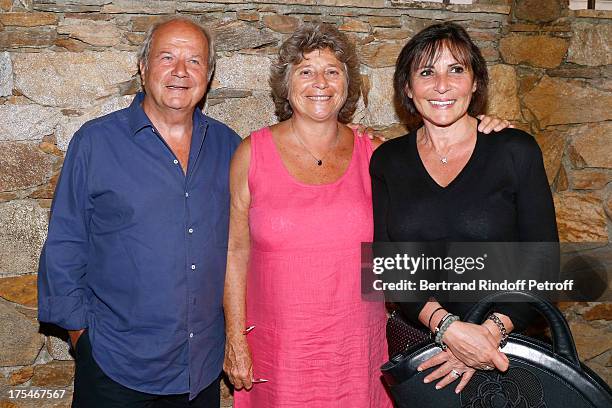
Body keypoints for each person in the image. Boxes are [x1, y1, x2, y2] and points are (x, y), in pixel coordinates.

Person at [222, 22, 509, 407]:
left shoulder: (376, 155)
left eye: (332, 72)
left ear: (347, 85)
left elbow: (434, 216)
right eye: (305, 71)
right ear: (286, 86)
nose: (320, 82)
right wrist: (235, 338)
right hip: (280, 350)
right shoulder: (251, 154)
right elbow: (235, 253)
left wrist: (484, 130)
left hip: (357, 351)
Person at [37, 17, 241, 408]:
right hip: (115, 365)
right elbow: (65, 243)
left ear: (209, 74)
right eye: (167, 57)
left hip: (199, 371)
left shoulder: (230, 148)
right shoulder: (95, 142)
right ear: (143, 67)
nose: (180, 71)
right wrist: (81, 337)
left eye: (194, 61)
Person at [371, 22, 559, 395]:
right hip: (423, 353)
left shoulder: (515, 151)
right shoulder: (388, 161)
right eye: (427, 72)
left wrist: (487, 336)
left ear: (475, 83)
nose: (442, 85)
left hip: (509, 353)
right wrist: (449, 331)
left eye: (456, 69)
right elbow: (387, 264)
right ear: (408, 87)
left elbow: (544, 263)